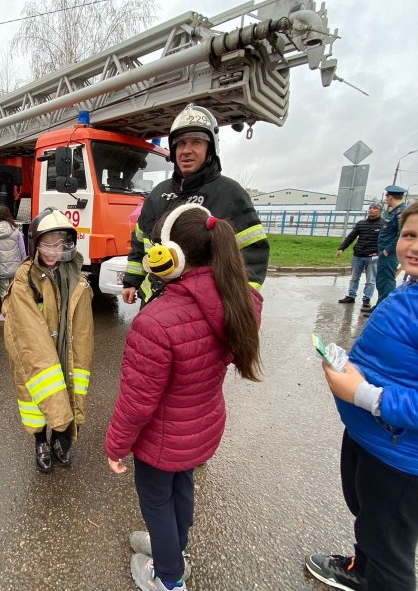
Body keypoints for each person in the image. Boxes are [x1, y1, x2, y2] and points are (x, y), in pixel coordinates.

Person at [305, 188, 418, 591]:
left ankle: (376, 575)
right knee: (371, 523)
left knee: (390, 552)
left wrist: (366, 395)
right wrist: (353, 368)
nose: (417, 247)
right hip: (378, 442)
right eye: (410, 234)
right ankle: (361, 571)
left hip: (409, 462)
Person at [106, 204, 263, 591]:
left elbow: (137, 402)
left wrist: (115, 445)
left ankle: (169, 578)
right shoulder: (239, 300)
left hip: (162, 437)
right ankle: (174, 548)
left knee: (157, 501)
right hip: (201, 426)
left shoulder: (157, 321)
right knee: (182, 488)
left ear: (170, 257)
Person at [121, 103, 269, 305]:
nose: (186, 150)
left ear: (211, 148)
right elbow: (140, 242)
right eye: (181, 144)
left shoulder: (230, 193)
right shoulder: (158, 194)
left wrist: (241, 303)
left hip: (202, 307)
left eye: (196, 142)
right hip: (156, 302)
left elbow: (253, 253)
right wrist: (131, 281)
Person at [2, 208, 93, 473]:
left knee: (70, 390)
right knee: (38, 397)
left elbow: (84, 330)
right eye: (47, 244)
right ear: (35, 244)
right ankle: (40, 441)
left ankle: (60, 440)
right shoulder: (25, 278)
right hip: (36, 354)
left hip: (68, 351)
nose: (54, 251)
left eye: (59, 244)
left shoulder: (77, 277)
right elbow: (28, 333)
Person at [366, 184, 407, 314]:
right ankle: (380, 305)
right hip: (383, 251)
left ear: (390, 196)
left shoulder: (401, 212)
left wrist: (388, 249)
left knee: (387, 281)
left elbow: (402, 233)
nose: (385, 198)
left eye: (386, 196)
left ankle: (384, 309)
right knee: (381, 280)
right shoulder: (393, 211)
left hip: (389, 253)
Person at [336, 202, 383, 309]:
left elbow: (386, 241)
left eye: (374, 208)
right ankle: (351, 296)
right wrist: (341, 248)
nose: (371, 210)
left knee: (370, 280)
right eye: (370, 208)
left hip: (372, 257)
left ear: (380, 211)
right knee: (354, 277)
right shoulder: (361, 223)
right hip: (358, 255)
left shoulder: (383, 225)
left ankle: (366, 299)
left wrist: (379, 251)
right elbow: (351, 236)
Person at [0, 204, 26, 322]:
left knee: (4, 291)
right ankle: (16, 313)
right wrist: (23, 264)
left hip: (0, 267)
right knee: (14, 291)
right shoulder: (16, 230)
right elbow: (22, 249)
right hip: (15, 267)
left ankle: (5, 314)